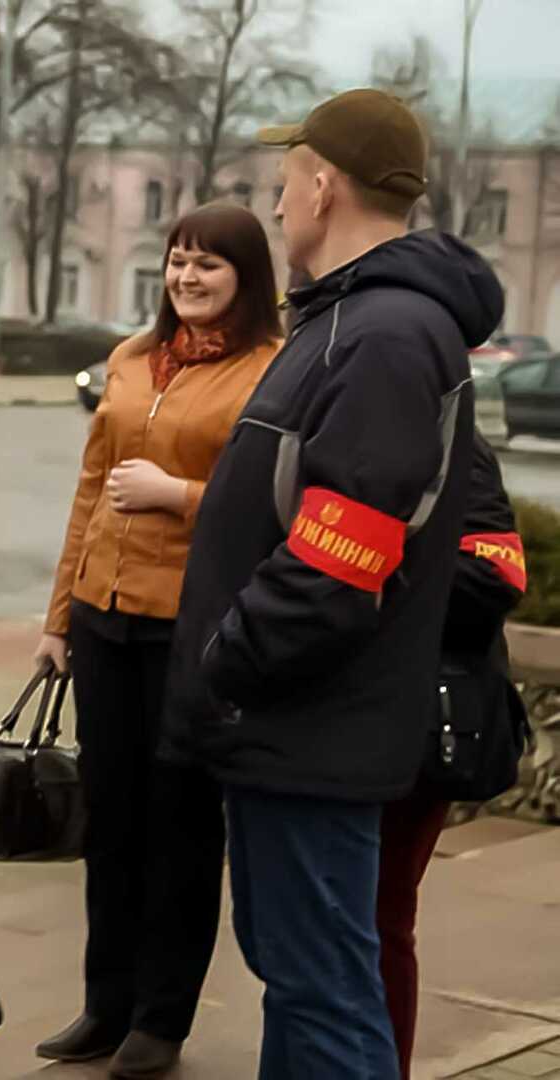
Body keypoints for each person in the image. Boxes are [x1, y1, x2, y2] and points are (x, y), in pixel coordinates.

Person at [161, 89, 504, 1079]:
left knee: (324, 996)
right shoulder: (345, 322)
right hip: (285, 726)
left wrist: (229, 660)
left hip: (308, 726)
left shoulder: (384, 336)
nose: (274, 208)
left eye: (283, 183)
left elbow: (338, 554)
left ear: (322, 184)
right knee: (301, 981)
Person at [35, 201, 283, 1077]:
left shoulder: (269, 372)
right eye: (177, 261)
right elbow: (93, 487)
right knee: (109, 822)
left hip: (192, 626)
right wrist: (60, 616)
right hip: (105, 619)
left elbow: (274, 509)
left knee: (178, 825)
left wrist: (178, 494)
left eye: (206, 265)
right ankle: (104, 1005)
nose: (185, 278)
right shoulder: (131, 359)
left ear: (245, 278)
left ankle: (159, 1017)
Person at [379, 433, 526, 1079]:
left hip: (407, 729)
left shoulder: (452, 447)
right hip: (320, 719)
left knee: (376, 920)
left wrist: (360, 554)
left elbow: (493, 577)